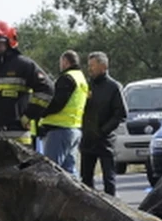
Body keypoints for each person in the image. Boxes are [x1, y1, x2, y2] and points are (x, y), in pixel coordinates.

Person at [0, 20, 54, 144]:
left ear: (10, 42)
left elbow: (47, 89)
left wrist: (29, 115)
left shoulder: (24, 65)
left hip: (18, 136)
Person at [80, 51, 126, 196]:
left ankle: (112, 207)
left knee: (109, 179)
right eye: (89, 66)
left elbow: (121, 114)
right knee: (85, 180)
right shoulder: (87, 86)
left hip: (105, 140)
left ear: (103, 66)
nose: (90, 69)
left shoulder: (113, 87)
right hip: (88, 139)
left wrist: (103, 131)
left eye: (93, 66)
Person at [38, 50, 88, 173]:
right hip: (74, 128)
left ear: (65, 62)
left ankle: (50, 193)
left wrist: (40, 111)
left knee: (51, 170)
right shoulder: (81, 78)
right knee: (69, 172)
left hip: (59, 129)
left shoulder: (67, 78)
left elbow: (57, 103)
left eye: (61, 62)